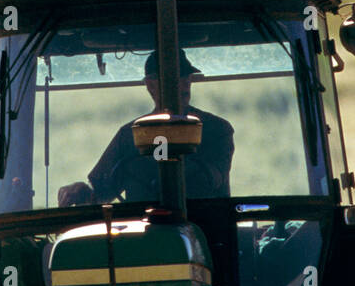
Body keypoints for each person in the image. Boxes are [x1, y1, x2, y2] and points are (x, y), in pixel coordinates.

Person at [58, 50, 234, 205]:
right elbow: (101, 193)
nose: (184, 83)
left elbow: (211, 179)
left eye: (186, 77)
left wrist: (156, 163)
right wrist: (81, 192)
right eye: (175, 77)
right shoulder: (129, 135)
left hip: (206, 232)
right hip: (143, 234)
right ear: (150, 85)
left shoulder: (217, 130)